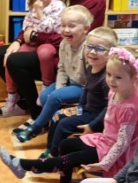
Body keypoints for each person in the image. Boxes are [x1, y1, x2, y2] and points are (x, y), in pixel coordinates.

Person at [0, 46, 138, 183]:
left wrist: (105, 164)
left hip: (114, 153)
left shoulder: (130, 108)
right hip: (104, 140)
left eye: (118, 77)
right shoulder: (115, 92)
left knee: (69, 159)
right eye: (109, 74)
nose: (111, 80)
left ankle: (24, 165)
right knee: (66, 145)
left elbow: (122, 143)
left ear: (134, 79)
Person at [0, 0, 106, 117]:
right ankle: (23, 102)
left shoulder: (95, 0)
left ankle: (38, 113)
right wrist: (19, 39)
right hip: (45, 43)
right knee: (0, 54)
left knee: (16, 61)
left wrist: (33, 36)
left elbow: (70, 38)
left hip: (66, 56)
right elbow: (34, 17)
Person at [13, 4, 93, 143]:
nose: (66, 30)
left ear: (86, 29)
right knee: (45, 96)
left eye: (72, 26)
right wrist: (60, 88)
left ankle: (35, 128)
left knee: (55, 97)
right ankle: (51, 123)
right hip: (70, 82)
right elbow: (62, 69)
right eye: (63, 25)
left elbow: (91, 79)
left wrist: (58, 94)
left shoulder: (88, 49)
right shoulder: (64, 44)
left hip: (83, 87)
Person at [0, 0, 66, 118]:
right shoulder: (36, 5)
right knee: (12, 56)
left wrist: (38, 18)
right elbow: (27, 24)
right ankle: (12, 95)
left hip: (50, 45)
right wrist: (25, 34)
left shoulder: (58, 6)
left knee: (45, 52)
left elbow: (49, 29)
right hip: (35, 42)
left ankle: (46, 87)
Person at [45, 26, 115, 158]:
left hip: (97, 116)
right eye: (90, 47)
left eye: (100, 49)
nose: (92, 52)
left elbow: (110, 108)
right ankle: (50, 149)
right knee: (57, 116)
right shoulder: (91, 67)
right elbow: (86, 89)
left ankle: (53, 157)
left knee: (63, 125)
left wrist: (93, 126)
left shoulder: (107, 78)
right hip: (86, 109)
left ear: (111, 52)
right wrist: (79, 107)